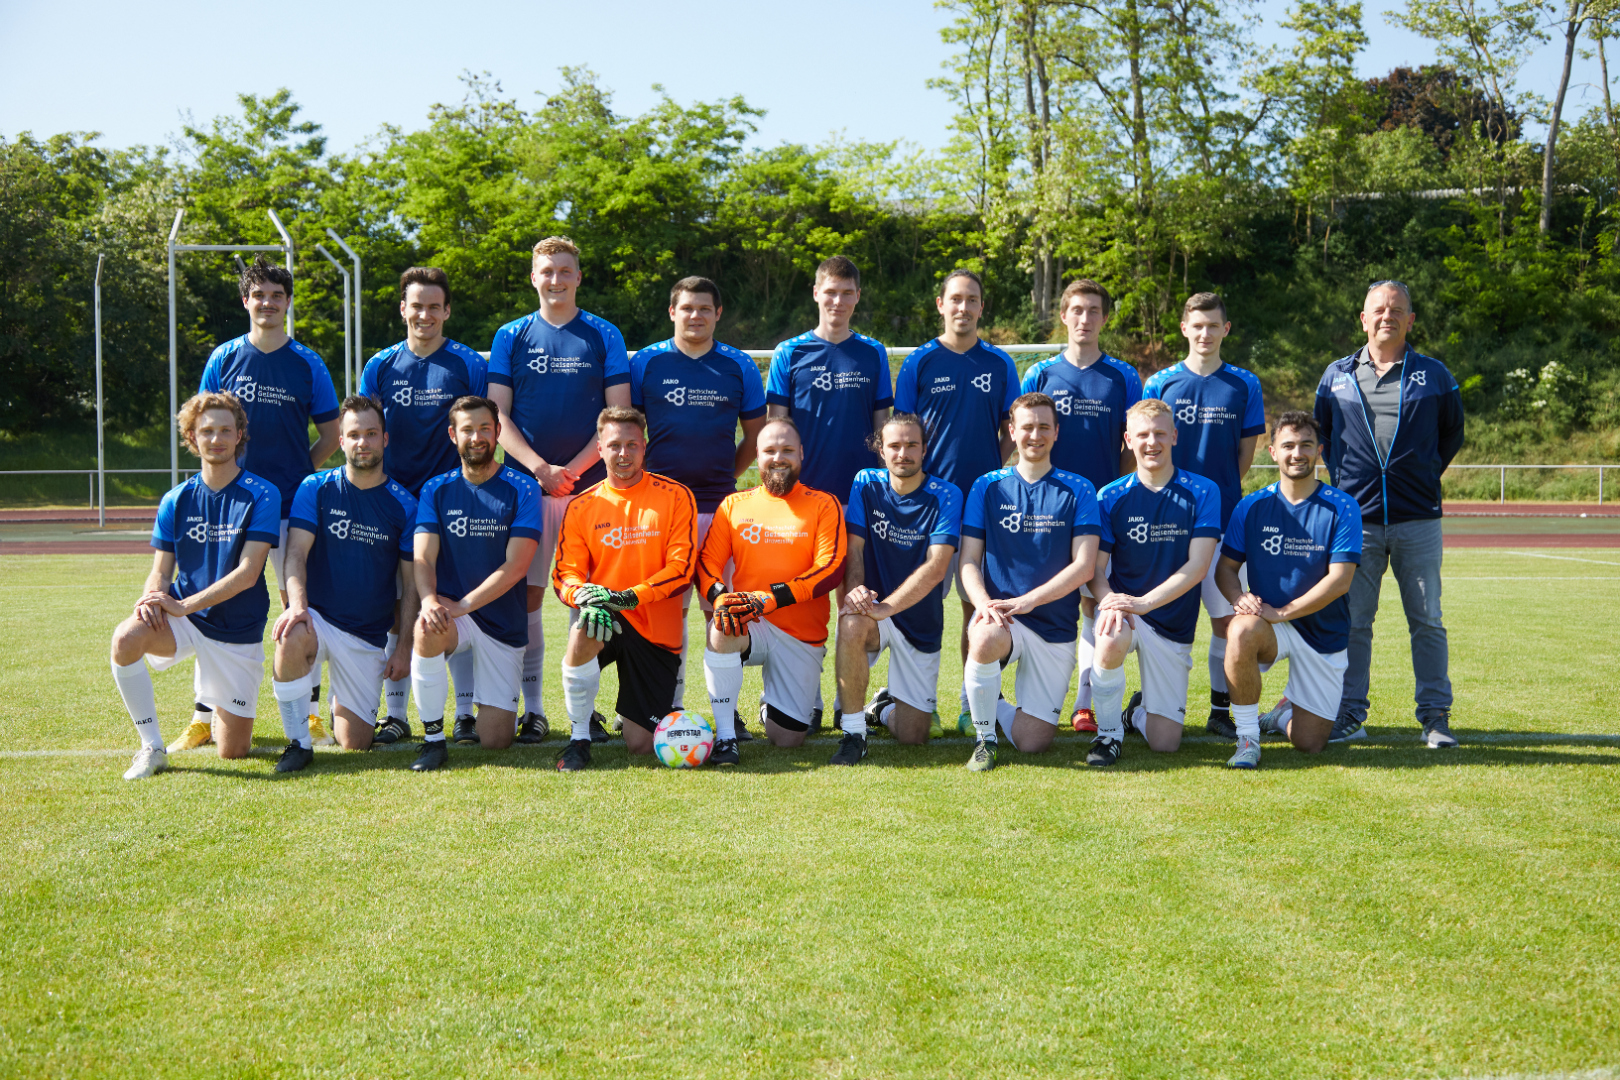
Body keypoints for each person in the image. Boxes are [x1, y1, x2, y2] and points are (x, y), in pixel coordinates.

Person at [173, 257, 338, 752]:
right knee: (216, 602)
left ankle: (310, 715)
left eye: (277, 295)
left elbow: (331, 435)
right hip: (230, 508)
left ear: (287, 303)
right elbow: (204, 422)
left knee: (298, 608)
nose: (268, 303)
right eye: (259, 295)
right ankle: (203, 716)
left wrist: (298, 472)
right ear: (245, 301)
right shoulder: (224, 357)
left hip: (290, 507)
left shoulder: (308, 362)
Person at [488, 236, 632, 743]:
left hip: (589, 491)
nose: (555, 279)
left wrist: (569, 470)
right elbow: (497, 416)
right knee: (525, 597)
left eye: (564, 270)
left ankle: (585, 711)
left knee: (588, 601)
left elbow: (616, 417)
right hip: (526, 492)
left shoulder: (604, 333)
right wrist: (539, 469)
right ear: (534, 278)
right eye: (547, 271)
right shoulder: (511, 335)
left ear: (578, 277)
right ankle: (533, 710)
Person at [1313, 281, 1464, 749]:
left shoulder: (1434, 375)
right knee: (1355, 621)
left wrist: (1420, 475)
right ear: (1363, 319)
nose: (1387, 316)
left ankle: (1435, 717)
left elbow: (1451, 436)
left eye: (1397, 310)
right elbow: (1324, 437)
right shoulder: (1336, 376)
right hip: (1356, 521)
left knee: (1427, 620)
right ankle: (1350, 713)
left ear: (1410, 320)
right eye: (1378, 309)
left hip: (1418, 519)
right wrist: (1349, 483)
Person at [109, 392, 280, 780]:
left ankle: (213, 706)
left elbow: (249, 572)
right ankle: (152, 747)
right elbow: (161, 570)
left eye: (225, 430)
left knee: (233, 751)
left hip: (236, 628)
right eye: (207, 431)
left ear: (239, 435)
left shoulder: (263, 493)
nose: (216, 439)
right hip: (186, 621)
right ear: (192, 437)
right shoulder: (176, 499)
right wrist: (152, 596)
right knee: (125, 639)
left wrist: (183, 605)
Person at [359, 266, 487, 746]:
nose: (425, 314)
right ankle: (395, 714)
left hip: (452, 499)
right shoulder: (380, 365)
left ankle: (465, 713)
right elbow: (365, 429)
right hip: (392, 501)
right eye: (417, 305)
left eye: (435, 306)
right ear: (403, 309)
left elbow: (480, 428)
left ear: (447, 311)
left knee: (454, 601)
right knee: (398, 604)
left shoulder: (467, 364)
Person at [629, 276, 768, 713]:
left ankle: (726, 713)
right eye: (687, 308)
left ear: (718, 314)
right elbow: (630, 433)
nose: (695, 316)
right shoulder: (645, 362)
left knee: (721, 613)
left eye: (705, 308)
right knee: (665, 613)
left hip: (718, 509)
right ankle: (665, 708)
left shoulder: (738, 364)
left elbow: (756, 436)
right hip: (660, 513)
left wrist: (725, 475)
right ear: (672, 312)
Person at [766, 254, 893, 729]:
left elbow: (882, 426)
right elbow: (777, 429)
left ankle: (848, 700)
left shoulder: (873, 353)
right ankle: (804, 697)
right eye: (830, 292)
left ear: (857, 297)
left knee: (855, 598)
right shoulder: (789, 352)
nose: (837, 301)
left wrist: (883, 488)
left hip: (859, 496)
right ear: (816, 293)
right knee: (805, 597)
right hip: (805, 499)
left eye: (846, 293)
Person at [892, 268, 1019, 720]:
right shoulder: (919, 361)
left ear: (981, 307)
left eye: (972, 300)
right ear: (941, 305)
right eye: (956, 299)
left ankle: (971, 705)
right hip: (927, 506)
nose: (963, 307)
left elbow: (1011, 431)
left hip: (982, 506)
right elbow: (902, 434)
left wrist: (988, 472)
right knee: (918, 603)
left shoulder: (1000, 363)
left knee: (975, 606)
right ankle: (912, 700)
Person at [269, 397, 420, 768]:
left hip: (365, 636)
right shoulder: (315, 488)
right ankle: (298, 743)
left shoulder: (404, 505)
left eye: (371, 433)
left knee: (355, 744)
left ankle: (341, 703)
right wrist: (297, 606)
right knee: (291, 634)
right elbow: (295, 554)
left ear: (385, 439)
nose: (362, 442)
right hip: (318, 618)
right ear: (341, 441)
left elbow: (411, 585)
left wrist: (403, 648)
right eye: (353, 435)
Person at [1019, 278, 1142, 733]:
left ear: (1104, 318)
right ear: (1064, 316)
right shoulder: (1040, 373)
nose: (1085, 319)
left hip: (1102, 508)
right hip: (1049, 507)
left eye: (1093, 311)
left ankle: (1085, 701)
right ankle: (1032, 697)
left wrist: (1113, 495)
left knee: (1094, 600)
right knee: (1048, 597)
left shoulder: (1123, 376)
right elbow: (1026, 434)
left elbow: (1132, 445)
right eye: (1077, 310)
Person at [1142, 293, 1265, 739]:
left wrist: (1214, 497)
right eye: (1197, 325)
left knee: (1227, 619)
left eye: (1213, 325)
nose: (1205, 333)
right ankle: (1148, 700)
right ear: (1184, 329)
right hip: (1165, 520)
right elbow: (1146, 443)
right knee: (1157, 614)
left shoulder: (1244, 384)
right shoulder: (1160, 382)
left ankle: (1219, 709)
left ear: (1225, 329)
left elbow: (1243, 457)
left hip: (1222, 520)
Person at [550, 407, 699, 772]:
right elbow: (566, 573)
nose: (623, 453)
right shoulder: (582, 506)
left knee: (642, 746)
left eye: (632, 444)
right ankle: (579, 738)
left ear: (644, 446)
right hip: (607, 618)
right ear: (600, 449)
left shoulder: (676, 496)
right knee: (585, 627)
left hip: (654, 631)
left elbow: (681, 569)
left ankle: (632, 711)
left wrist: (627, 596)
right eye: (615, 445)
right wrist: (583, 597)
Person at [958, 393, 1100, 771]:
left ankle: (989, 700)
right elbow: (968, 560)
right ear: (1012, 431)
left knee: (1032, 742)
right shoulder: (987, 486)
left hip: (1054, 626)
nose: (1034, 435)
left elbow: (1084, 566)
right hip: (1004, 618)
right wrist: (983, 604)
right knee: (983, 635)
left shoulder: (1079, 489)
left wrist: (1030, 600)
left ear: (1056, 432)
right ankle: (985, 739)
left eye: (1043, 427)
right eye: (1027, 427)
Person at [1216, 412, 1364, 768]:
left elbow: (1340, 580)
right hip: (1269, 627)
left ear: (1319, 451)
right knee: (1240, 630)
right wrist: (1238, 597)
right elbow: (1226, 569)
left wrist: (1282, 612)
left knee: (1309, 744)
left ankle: (1281, 715)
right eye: (1288, 446)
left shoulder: (1342, 507)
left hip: (1322, 632)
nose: (1297, 453)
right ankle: (1247, 738)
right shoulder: (1251, 506)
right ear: (1273, 452)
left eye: (1306, 445)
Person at [699, 418, 846, 765]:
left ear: (801, 454)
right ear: (757, 456)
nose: (778, 457)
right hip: (752, 623)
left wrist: (770, 598)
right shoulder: (733, 505)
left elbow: (829, 569)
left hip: (800, 634)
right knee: (722, 624)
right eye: (770, 450)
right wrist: (720, 597)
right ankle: (726, 737)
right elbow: (707, 562)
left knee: (788, 740)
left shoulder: (824, 504)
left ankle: (772, 706)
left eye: (787, 450)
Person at [407, 396, 541, 772]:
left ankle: (491, 711)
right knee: (427, 626)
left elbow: (516, 566)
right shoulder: (436, 489)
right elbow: (423, 557)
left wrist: (463, 605)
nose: (477, 437)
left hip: (500, 621)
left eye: (485, 428)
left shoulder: (523, 488)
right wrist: (430, 600)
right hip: (454, 614)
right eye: (467, 429)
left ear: (498, 432)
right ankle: (433, 740)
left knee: (495, 740)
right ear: (453, 435)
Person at [1084, 400, 1221, 767]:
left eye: (1160, 433)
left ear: (1174, 436)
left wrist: (1143, 603)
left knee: (1165, 743)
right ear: (1128, 440)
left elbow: (1198, 566)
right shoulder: (1110, 496)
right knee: (1110, 634)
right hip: (1126, 611)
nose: (1151, 442)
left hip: (1171, 622)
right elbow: (1095, 571)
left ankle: (1134, 714)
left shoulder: (1203, 491)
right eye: (1142, 434)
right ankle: (1108, 735)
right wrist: (1111, 602)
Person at [835, 414, 962, 764]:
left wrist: (887, 607)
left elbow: (937, 567)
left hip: (917, 620)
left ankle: (882, 707)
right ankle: (853, 733)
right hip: (874, 612)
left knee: (913, 736)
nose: (902, 453)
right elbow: (854, 548)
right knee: (851, 622)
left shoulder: (947, 494)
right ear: (881, 450)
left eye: (911, 445)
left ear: (924, 449)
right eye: (894, 445)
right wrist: (857, 594)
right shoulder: (866, 483)